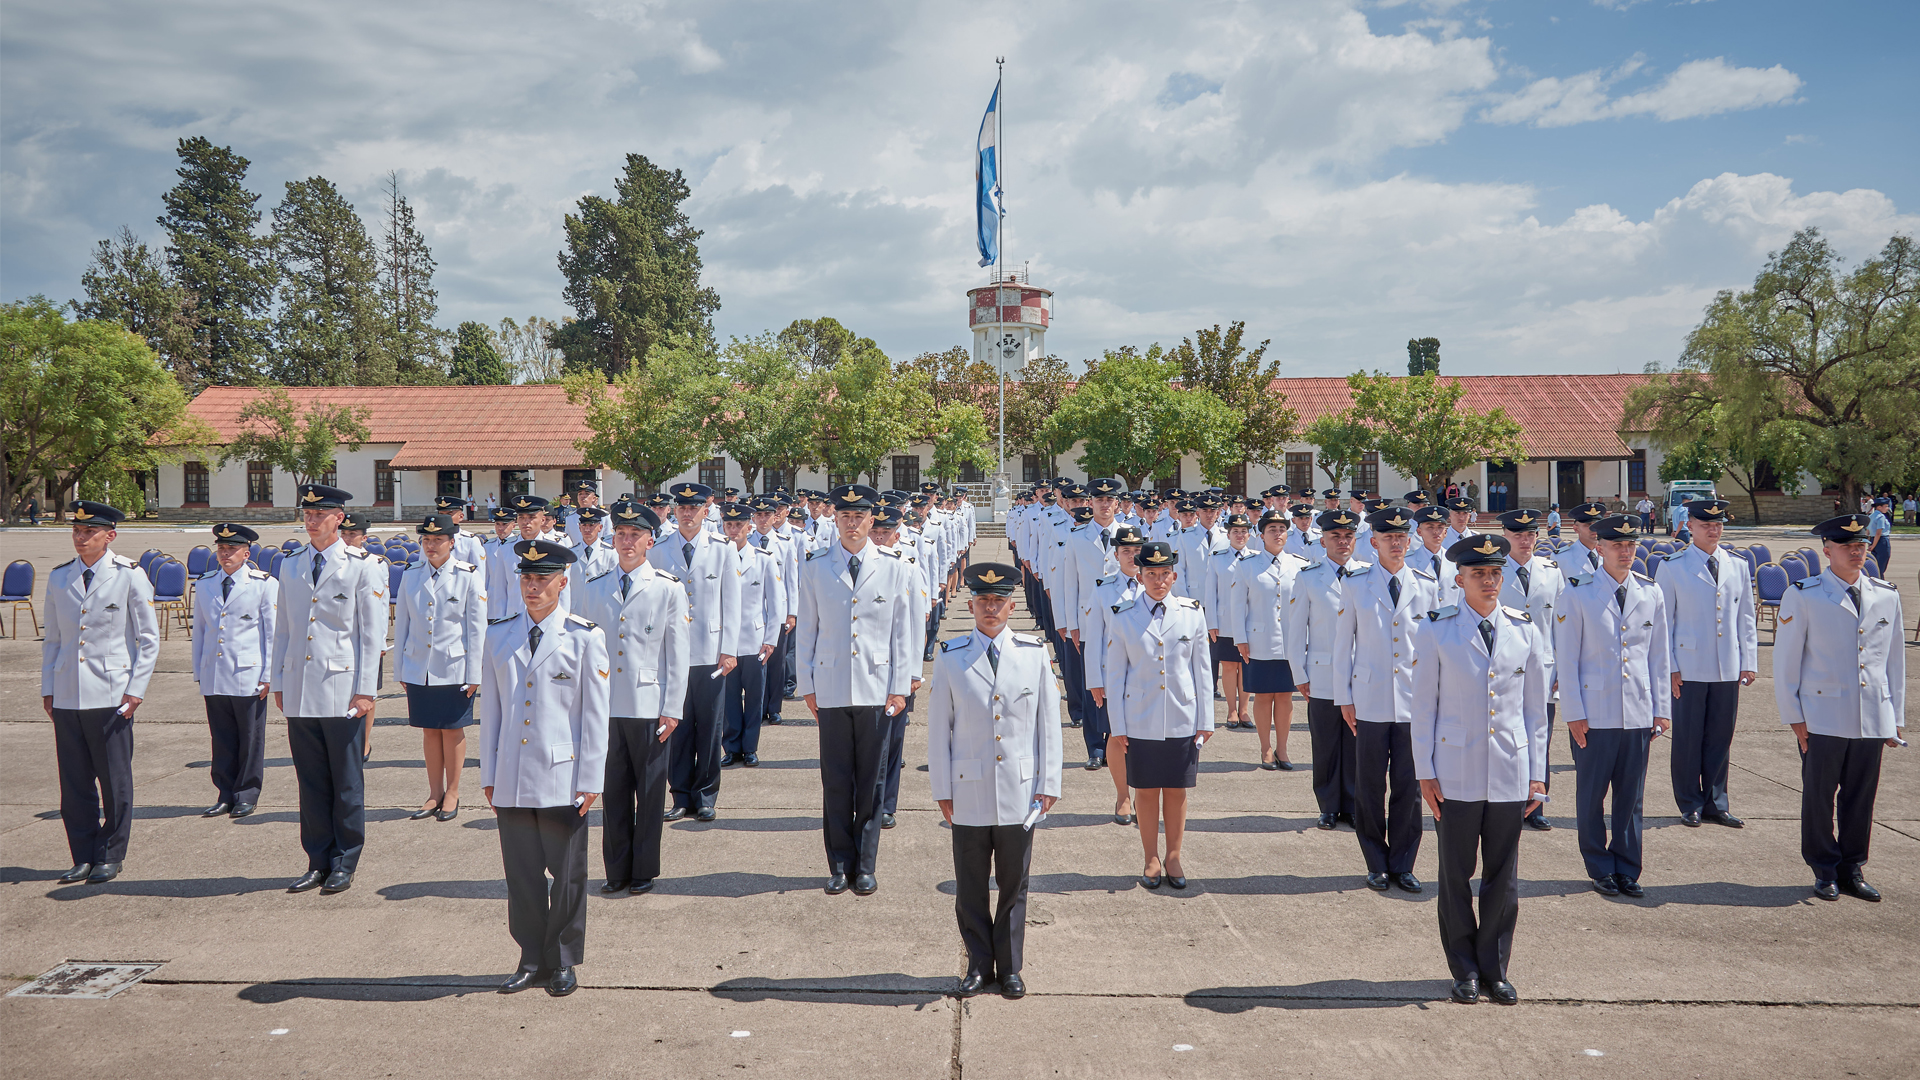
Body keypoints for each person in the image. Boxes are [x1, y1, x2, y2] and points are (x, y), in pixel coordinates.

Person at [1411, 534, 1550, 1006]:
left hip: (1510, 769)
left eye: (1495, 573)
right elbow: (1423, 707)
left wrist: (1538, 773)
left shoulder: (1524, 628)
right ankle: (1464, 968)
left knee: (1502, 877)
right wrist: (1424, 772)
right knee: (1455, 874)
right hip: (1454, 769)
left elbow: (1536, 711)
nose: (1489, 581)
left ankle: (1495, 967)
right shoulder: (1436, 629)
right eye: (1479, 574)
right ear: (1459, 579)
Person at [479, 539, 609, 996]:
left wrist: (592, 779)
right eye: (526, 578)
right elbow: (491, 712)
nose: (532, 587)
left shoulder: (583, 636)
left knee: (568, 874)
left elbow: (595, 714)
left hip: (563, 774)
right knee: (522, 874)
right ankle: (531, 956)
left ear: (562, 582)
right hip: (513, 774)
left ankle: (564, 959)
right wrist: (489, 774)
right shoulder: (498, 634)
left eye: (542, 579)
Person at [928, 562, 1062, 1000]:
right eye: (983, 601)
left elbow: (1048, 723)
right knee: (969, 884)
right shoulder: (950, 656)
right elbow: (938, 729)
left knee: (1013, 882)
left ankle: (1010, 968)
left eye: (999, 601)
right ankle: (977, 964)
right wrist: (942, 790)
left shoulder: (1033, 652)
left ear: (1011, 605)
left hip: (1020, 790)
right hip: (967, 788)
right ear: (970, 605)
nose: (991, 608)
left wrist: (1050, 782)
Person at [1775, 514, 1905, 902]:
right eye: (1848, 546)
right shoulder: (1805, 593)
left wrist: (1894, 718)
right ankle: (1824, 868)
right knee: (1819, 795)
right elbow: (1786, 662)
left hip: (1871, 714)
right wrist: (1794, 717)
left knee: (1861, 796)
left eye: (1862, 545)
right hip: (1822, 715)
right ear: (1827, 550)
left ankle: (1852, 867)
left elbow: (1893, 662)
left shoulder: (1886, 594)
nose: (1856, 551)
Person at [795, 483, 917, 896]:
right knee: (835, 781)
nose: (852, 523)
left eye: (859, 517)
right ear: (835, 520)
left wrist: (901, 687)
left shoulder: (895, 566)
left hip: (877, 688)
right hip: (829, 687)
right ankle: (839, 864)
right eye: (844, 517)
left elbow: (904, 632)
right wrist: (807, 685)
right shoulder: (814, 567)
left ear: (872, 520)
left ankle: (865, 865)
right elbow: (807, 631)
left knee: (871, 782)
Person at [273, 483, 387, 895]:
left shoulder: (362, 564)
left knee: (346, 781)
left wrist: (366, 691)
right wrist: (280, 682)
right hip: (302, 688)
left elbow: (371, 635)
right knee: (311, 781)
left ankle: (345, 860)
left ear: (339, 519)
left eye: (320, 514)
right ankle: (317, 860)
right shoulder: (291, 564)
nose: (312, 520)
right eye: (307, 514)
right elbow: (283, 628)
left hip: (342, 689)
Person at [41, 499, 158, 885]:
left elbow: (147, 640)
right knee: (74, 783)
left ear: (109, 536)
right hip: (68, 693)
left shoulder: (128, 575)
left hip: (111, 694)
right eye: (76, 531)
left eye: (89, 532)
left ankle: (111, 853)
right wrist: (49, 688)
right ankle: (83, 854)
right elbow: (53, 641)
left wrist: (135, 690)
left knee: (114, 780)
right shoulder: (60, 577)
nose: (81, 537)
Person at [577, 500, 687, 895]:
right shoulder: (594, 588)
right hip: (606, 706)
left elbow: (677, 654)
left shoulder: (667, 588)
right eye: (621, 535)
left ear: (649, 541)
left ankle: (644, 869)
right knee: (614, 792)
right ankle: (616, 868)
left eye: (635, 535)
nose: (627, 541)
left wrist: (673, 709)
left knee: (651, 792)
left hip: (649, 705)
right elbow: (581, 649)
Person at [1559, 516, 1671, 898]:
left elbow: (1658, 656)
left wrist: (1661, 709)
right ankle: (1599, 866)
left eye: (1631, 545)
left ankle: (1627, 866)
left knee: (1631, 796)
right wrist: (1573, 712)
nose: (1625, 552)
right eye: (1616, 545)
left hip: (1637, 711)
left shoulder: (1650, 591)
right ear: (1600, 547)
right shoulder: (1578, 592)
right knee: (1591, 796)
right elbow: (1567, 658)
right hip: (1594, 713)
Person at [1332, 507, 1439, 893]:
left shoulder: (1427, 584)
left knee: (1410, 788)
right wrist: (1344, 696)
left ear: (1409, 542)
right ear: (1373, 542)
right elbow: (1343, 644)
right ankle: (1375, 861)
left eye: (1401, 538)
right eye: (1388, 538)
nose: (1396, 543)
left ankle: (1403, 863)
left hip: (1415, 701)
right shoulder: (1356, 583)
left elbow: (1436, 648)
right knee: (1370, 785)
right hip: (1370, 698)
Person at [1104, 541, 1214, 889]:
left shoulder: (1191, 612)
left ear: (1174, 575)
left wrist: (1206, 719)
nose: (1157, 580)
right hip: (1140, 716)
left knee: (1178, 791)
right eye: (1150, 573)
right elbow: (1115, 674)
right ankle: (1151, 857)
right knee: (1148, 790)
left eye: (1164, 573)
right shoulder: (1123, 615)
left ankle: (1174, 856)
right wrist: (1117, 725)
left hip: (1182, 713)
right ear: (1140, 574)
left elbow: (1202, 669)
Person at [1656, 499, 1757, 828]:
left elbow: (1745, 617)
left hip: (1726, 663)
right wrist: (1669, 665)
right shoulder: (1673, 566)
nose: (1713, 530)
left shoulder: (1738, 565)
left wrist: (1748, 660)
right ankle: (1689, 801)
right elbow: (1663, 623)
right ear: (1691, 527)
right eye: (1705, 525)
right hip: (1688, 663)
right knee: (1688, 737)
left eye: (1717, 525)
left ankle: (1716, 801)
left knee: (1719, 735)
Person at [647, 482, 742, 822]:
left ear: (706, 509)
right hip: (672, 654)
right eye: (682, 507)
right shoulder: (658, 549)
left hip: (711, 652)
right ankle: (681, 794)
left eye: (694, 507)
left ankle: (706, 795)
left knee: (710, 727)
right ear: (674, 510)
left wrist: (729, 650)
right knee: (677, 725)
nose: (688, 513)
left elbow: (732, 602)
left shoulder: (722, 548)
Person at [393, 513, 487, 822]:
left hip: (454, 666)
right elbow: (403, 625)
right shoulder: (412, 574)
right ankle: (434, 793)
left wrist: (475, 674)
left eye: (438, 540)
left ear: (451, 542)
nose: (431, 546)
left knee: (452, 731)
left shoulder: (467, 574)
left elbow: (476, 629)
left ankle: (454, 791)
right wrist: (401, 670)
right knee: (430, 732)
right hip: (420, 666)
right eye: (426, 540)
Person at [191, 523, 277, 820]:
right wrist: (199, 669)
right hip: (215, 671)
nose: (225, 554)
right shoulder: (205, 583)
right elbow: (200, 630)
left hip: (248, 673)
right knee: (222, 738)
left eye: (232, 549)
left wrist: (268, 675)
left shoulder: (263, 583)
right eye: (222, 548)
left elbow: (271, 633)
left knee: (250, 738)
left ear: (246, 552)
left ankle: (247, 794)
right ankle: (225, 793)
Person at [1287, 509, 1366, 829]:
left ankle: (1352, 803)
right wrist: (1299, 673)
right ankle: (1329, 805)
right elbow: (1295, 628)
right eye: (1336, 536)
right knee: (1325, 742)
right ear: (1323, 540)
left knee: (1357, 741)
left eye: (1348, 536)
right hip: (1320, 672)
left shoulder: (1366, 574)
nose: (1343, 542)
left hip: (1361, 672)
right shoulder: (1308, 576)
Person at [1497, 508, 1566, 831]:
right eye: (1518, 535)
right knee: (1506, 735)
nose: (1525, 541)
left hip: (1543, 668)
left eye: (1530, 535)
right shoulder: (1492, 570)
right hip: (1504, 668)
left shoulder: (1551, 570)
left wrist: (1561, 670)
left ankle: (1536, 803)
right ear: (1505, 536)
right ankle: (1507, 801)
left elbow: (1560, 626)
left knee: (1540, 733)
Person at [1232, 511, 1307, 770]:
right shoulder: (1247, 565)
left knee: (1285, 696)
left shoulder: (1299, 565)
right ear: (1261, 535)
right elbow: (1237, 604)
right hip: (1259, 641)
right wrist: (1240, 638)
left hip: (1291, 642)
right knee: (1263, 696)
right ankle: (1265, 748)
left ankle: (1282, 748)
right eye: (1272, 529)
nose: (1278, 534)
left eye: (1282, 529)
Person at [1084, 524, 1148, 821]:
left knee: (1144, 738)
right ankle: (1123, 796)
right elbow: (1093, 637)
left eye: (1137, 551)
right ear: (1116, 554)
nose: (1132, 557)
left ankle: (1143, 796)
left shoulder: (1156, 584)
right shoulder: (1103, 589)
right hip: (1113, 677)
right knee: (1115, 736)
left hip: (1148, 675)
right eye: (1126, 551)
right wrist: (1094, 681)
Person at [1206, 511, 1261, 730]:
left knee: (1246, 665)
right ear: (1228, 534)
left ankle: (1244, 709)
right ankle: (1231, 709)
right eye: (1235, 531)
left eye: (1244, 532)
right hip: (1225, 621)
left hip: (1249, 620)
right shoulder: (1217, 558)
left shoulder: (1257, 557)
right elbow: (1211, 593)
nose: (1240, 535)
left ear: (1249, 535)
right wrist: (1211, 622)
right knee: (1229, 667)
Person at [1867, 497, 1892, 575]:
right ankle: (1880, 580)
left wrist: (1870, 543)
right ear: (1879, 507)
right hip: (1882, 541)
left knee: (1876, 563)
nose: (1887, 508)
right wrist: (1874, 545)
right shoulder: (1880, 517)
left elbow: (1868, 531)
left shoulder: (1871, 516)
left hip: (1872, 540)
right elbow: (1879, 532)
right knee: (1882, 565)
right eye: (1886, 506)